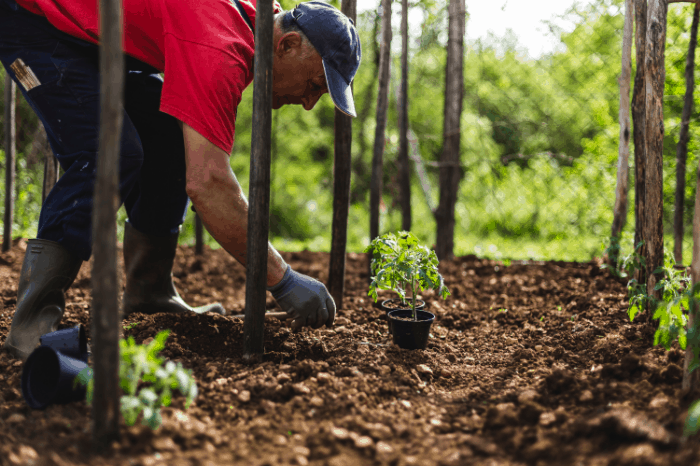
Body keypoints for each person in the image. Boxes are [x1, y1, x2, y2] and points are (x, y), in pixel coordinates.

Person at [0, 0, 361, 360]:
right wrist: (282, 279)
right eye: (315, 85)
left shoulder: (251, 20)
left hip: (99, 39)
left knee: (169, 141)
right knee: (106, 152)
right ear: (287, 45)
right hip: (35, 18)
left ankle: (149, 292)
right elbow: (209, 184)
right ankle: (32, 328)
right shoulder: (219, 47)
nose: (311, 103)